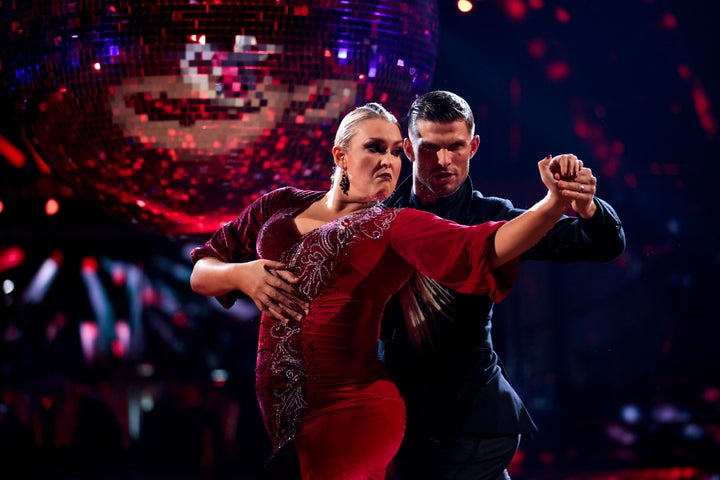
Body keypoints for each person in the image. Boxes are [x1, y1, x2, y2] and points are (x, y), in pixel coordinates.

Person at [241, 91, 627, 480]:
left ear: (473, 146)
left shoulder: (492, 216)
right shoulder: (375, 210)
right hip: (389, 411)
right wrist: (246, 274)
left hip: (469, 415)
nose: (443, 161)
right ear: (408, 148)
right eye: (430, 148)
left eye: (455, 147)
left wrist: (585, 204)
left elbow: (599, 243)